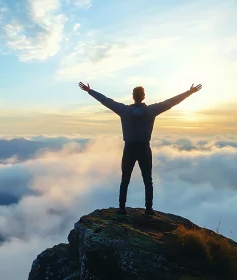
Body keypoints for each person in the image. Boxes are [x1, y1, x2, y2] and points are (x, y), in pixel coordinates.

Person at [78, 82, 203, 215]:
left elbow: (105, 100)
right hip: (144, 148)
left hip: (129, 148)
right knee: (147, 180)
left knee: (125, 179)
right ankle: (149, 209)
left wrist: (89, 91)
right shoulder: (151, 111)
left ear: (133, 97)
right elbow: (171, 102)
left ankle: (121, 208)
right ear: (143, 97)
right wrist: (189, 92)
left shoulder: (124, 110)